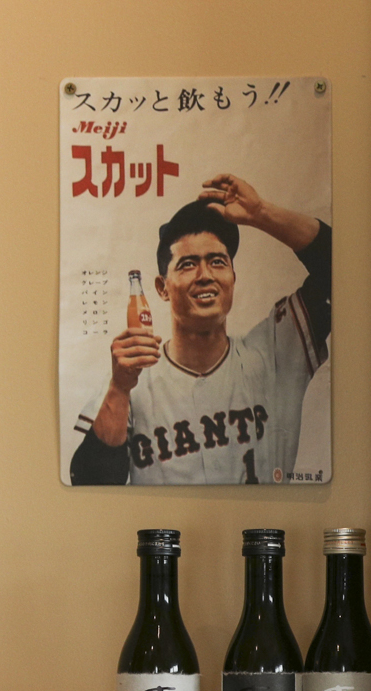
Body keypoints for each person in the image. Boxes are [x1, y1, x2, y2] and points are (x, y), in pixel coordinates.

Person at [70, 174, 331, 485]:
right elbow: (89, 482)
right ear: (162, 288)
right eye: (187, 264)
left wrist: (261, 214)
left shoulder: (275, 351)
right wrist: (119, 389)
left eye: (218, 261)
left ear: (234, 277)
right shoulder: (129, 380)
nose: (205, 275)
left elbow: (340, 265)